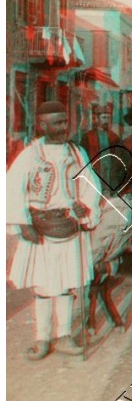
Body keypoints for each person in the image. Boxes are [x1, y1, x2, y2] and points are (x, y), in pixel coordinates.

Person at [7, 101, 102, 360]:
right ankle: (42, 338)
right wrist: (23, 223)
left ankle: (63, 335)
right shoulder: (30, 155)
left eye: (64, 121)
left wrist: (86, 209)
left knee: (64, 283)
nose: (62, 127)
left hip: (68, 226)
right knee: (43, 285)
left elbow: (89, 184)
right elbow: (12, 188)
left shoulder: (76, 152)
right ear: (41, 125)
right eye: (56, 122)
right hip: (40, 229)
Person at [79, 104, 120, 194]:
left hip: (110, 174)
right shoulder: (87, 137)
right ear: (97, 119)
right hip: (94, 172)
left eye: (108, 118)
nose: (106, 121)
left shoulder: (115, 137)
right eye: (104, 117)